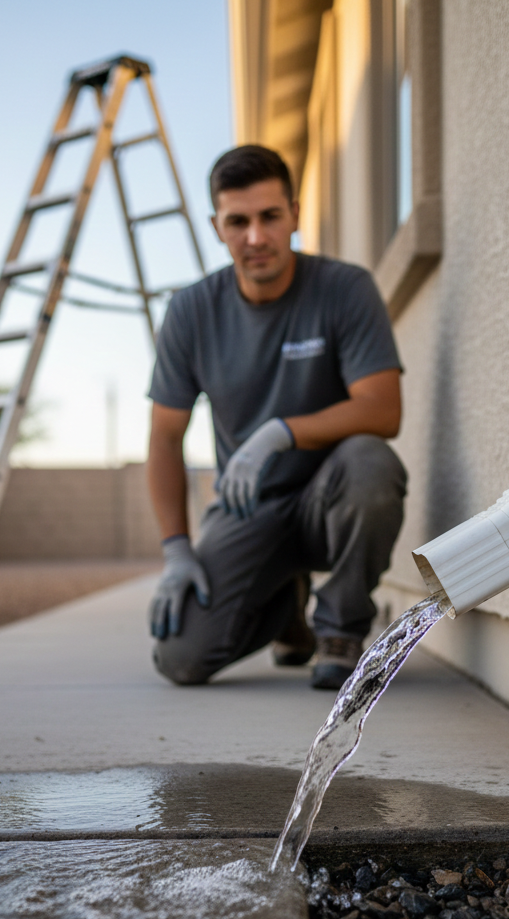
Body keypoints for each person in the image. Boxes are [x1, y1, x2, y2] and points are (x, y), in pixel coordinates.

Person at [146, 144, 407, 690]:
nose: (256, 237)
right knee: (180, 658)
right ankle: (284, 604)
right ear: (216, 226)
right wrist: (175, 550)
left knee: (370, 463)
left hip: (332, 498)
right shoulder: (191, 311)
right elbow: (166, 438)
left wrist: (281, 432)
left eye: (269, 217)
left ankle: (340, 626)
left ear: (294, 211)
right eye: (237, 222)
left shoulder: (345, 289)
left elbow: (383, 410)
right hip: (250, 509)